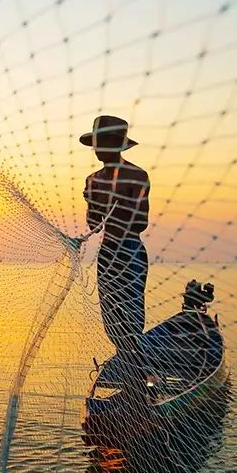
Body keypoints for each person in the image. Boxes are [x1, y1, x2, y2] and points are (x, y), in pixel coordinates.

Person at [80, 115, 150, 373]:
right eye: (96, 142)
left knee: (130, 320)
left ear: (116, 144)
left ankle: (139, 381)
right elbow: (95, 226)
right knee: (112, 321)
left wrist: (118, 206)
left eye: (102, 142)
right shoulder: (93, 180)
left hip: (130, 252)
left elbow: (141, 222)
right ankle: (134, 377)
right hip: (108, 253)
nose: (98, 148)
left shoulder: (138, 176)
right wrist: (93, 202)